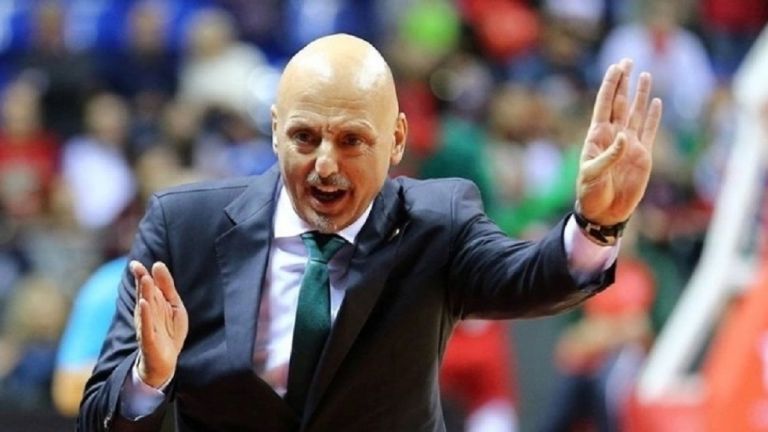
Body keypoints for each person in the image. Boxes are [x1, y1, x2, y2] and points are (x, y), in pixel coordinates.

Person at [78, 33, 661, 431]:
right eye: (305, 137)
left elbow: (531, 277)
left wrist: (596, 223)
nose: (325, 164)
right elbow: (98, 417)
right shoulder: (184, 229)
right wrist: (149, 379)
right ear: (275, 131)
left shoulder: (437, 221)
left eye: (352, 140)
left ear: (397, 140)